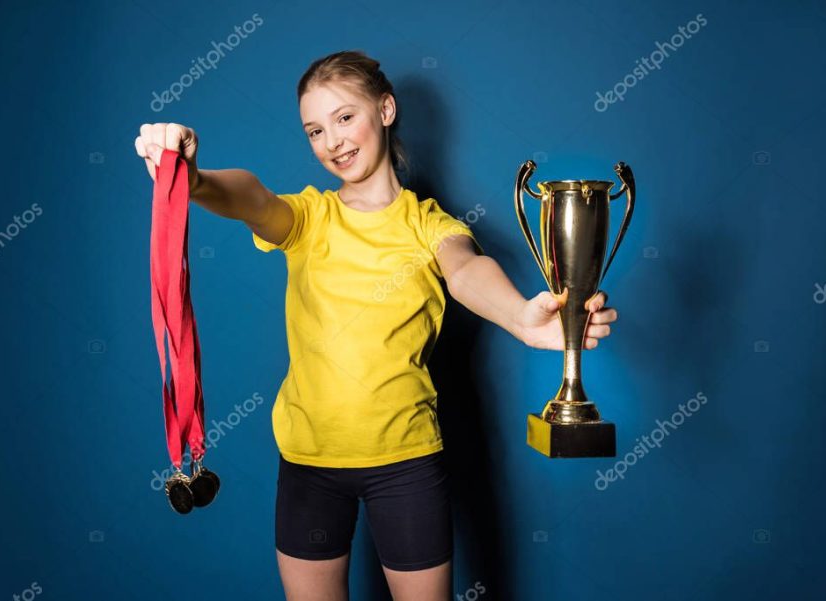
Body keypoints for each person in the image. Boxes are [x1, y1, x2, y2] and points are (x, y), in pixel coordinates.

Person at [135, 49, 617, 601]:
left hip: (406, 467)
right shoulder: (309, 218)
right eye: (314, 130)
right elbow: (252, 198)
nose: (332, 141)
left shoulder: (428, 224)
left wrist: (521, 321)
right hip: (308, 464)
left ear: (385, 109)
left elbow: (465, 270)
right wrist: (191, 177)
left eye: (345, 117)